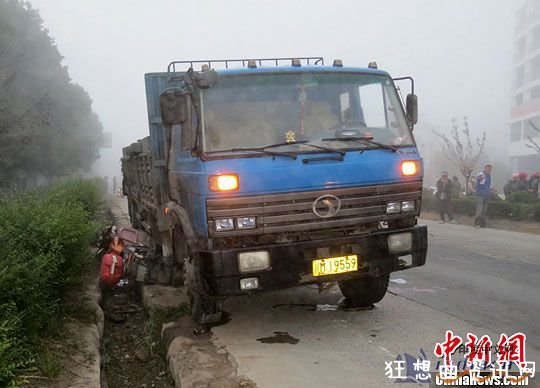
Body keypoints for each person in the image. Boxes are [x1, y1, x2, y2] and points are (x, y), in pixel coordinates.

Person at [474, 164, 493, 228]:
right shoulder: (481, 174)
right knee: (479, 209)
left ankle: (482, 224)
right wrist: (481, 177)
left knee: (484, 210)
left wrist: (491, 190)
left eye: (490, 169)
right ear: (485, 168)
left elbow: (489, 186)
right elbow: (478, 178)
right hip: (480, 194)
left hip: (486, 195)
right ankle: (477, 223)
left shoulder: (489, 176)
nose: (489, 170)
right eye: (487, 169)